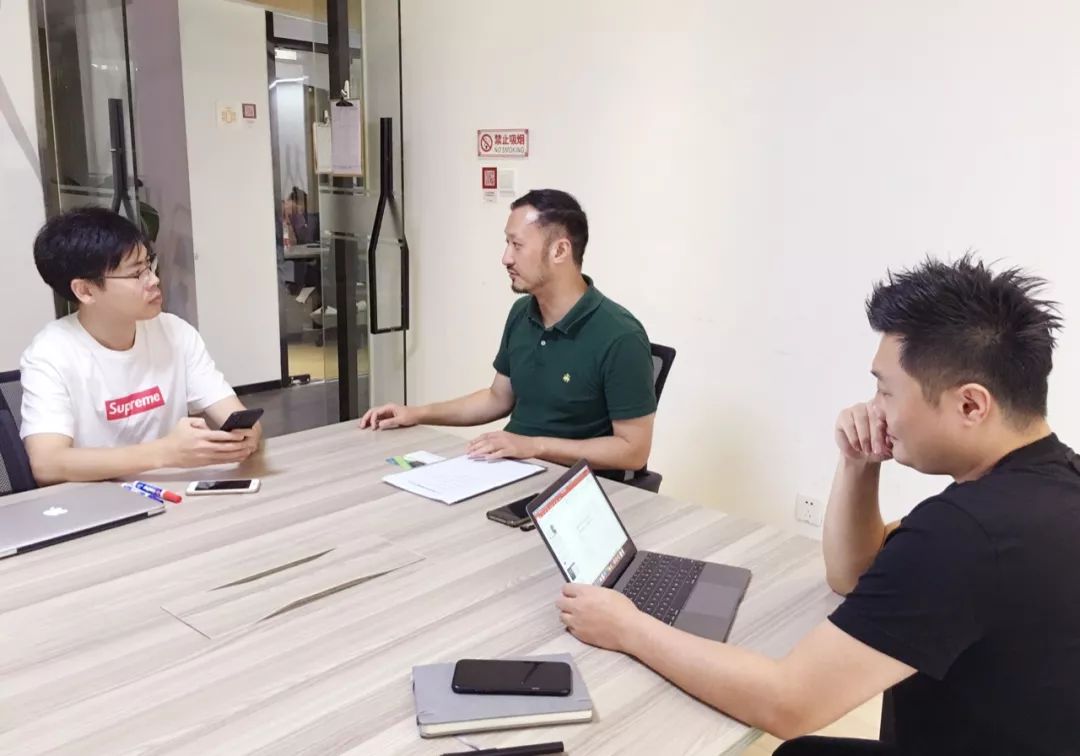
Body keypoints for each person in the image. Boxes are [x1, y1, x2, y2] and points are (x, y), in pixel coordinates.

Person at [553, 256, 1080, 754]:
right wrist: (859, 462)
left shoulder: (966, 534)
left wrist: (627, 627)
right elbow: (853, 574)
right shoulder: (1050, 484)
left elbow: (788, 702)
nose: (874, 409)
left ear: (970, 404)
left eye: (887, 392)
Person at [360, 189, 657, 473]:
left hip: (570, 487)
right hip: (510, 469)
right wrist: (416, 413)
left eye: (517, 245)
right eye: (507, 243)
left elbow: (633, 451)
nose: (506, 258)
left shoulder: (620, 336)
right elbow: (497, 398)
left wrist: (534, 446)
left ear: (560, 250)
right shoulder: (522, 313)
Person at [20, 207, 261, 485]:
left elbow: (237, 415)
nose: (154, 280)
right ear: (85, 291)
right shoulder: (50, 354)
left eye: (149, 265)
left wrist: (245, 436)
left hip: (173, 493)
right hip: (95, 500)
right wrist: (166, 453)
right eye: (137, 274)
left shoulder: (175, 332)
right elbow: (47, 464)